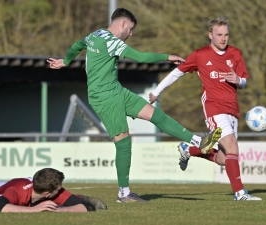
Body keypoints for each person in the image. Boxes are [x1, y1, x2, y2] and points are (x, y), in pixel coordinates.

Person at [47, 8, 222, 203]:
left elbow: (77, 45)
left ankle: (199, 142)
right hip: (104, 98)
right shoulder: (112, 41)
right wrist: (167, 57)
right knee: (123, 143)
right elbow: (140, 57)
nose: (130, 34)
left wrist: (66, 61)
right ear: (122, 24)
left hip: (117, 91)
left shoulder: (95, 34)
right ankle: (123, 193)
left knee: (157, 116)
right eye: (130, 30)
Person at [149, 16, 261, 201]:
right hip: (214, 109)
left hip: (233, 109)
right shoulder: (200, 55)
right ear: (210, 35)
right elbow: (177, 73)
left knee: (225, 158)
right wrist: (156, 92)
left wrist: (238, 81)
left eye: (226, 35)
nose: (223, 38)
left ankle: (189, 150)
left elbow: (244, 82)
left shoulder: (236, 53)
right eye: (219, 35)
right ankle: (240, 193)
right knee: (232, 145)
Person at [0, 168, 107, 212]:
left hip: (23, 194)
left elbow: (89, 207)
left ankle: (78, 196)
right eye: (58, 189)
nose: (61, 190)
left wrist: (62, 210)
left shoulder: (49, 187)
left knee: (69, 201)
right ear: (47, 194)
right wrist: (35, 210)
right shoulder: (18, 191)